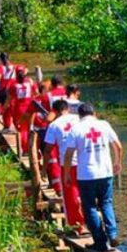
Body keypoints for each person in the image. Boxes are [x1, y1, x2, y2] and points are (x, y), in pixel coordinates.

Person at [63, 103, 123, 252]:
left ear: (80, 116)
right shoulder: (104, 125)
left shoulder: (76, 129)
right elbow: (118, 146)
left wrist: (66, 173)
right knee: (106, 203)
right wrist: (117, 163)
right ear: (94, 113)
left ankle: (100, 242)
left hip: (86, 174)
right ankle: (113, 234)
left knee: (89, 207)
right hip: (105, 172)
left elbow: (69, 153)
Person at [44, 100, 85, 233]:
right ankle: (90, 222)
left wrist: (44, 169)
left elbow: (48, 149)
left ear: (54, 111)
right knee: (86, 193)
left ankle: (77, 226)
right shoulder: (79, 119)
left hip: (68, 165)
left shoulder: (54, 125)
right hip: (85, 161)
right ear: (67, 108)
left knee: (70, 196)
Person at [6, 66, 37, 155]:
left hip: (19, 109)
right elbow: (36, 93)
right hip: (30, 108)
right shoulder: (30, 82)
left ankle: (25, 150)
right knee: (30, 128)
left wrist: (4, 108)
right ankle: (31, 148)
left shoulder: (13, 85)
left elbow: (9, 98)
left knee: (22, 130)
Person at [0, 53, 15, 129]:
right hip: (13, 90)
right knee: (12, 107)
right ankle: (14, 124)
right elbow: (24, 71)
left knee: (5, 109)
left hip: (4, 91)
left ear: (0, 59)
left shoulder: (0, 67)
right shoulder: (14, 67)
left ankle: (7, 126)